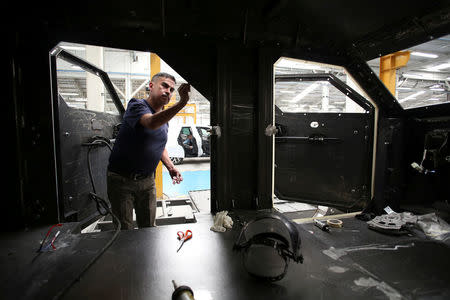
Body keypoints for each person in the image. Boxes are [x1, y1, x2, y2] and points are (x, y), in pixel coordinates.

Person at [107, 72, 190, 229]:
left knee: (149, 228)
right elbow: (150, 123)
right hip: (122, 180)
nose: (168, 91)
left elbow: (159, 145)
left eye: (172, 90)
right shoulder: (137, 105)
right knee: (124, 230)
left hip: (147, 182)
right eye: (164, 85)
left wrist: (171, 167)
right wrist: (182, 103)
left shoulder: (164, 120)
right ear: (151, 86)